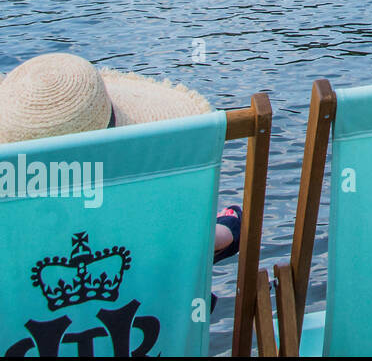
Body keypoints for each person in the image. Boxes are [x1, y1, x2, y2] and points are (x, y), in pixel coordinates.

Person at [0, 53, 242, 264]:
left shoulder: (15, 229)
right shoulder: (146, 211)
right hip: (158, 311)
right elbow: (204, 241)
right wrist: (230, 228)